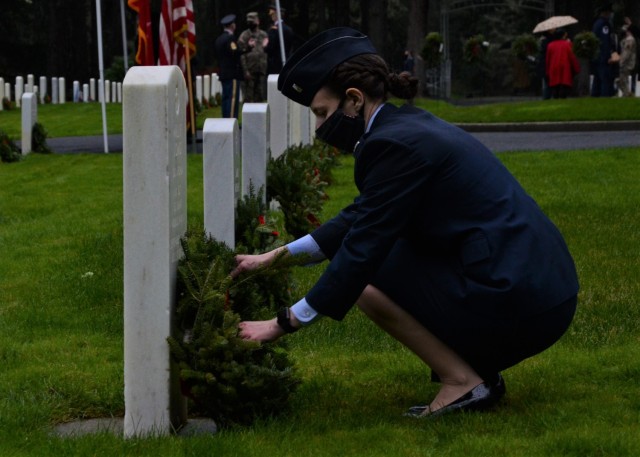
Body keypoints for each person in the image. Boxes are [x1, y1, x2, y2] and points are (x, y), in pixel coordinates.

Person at [234, 27, 579, 418]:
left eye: (322, 113)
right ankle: (475, 371)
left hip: (521, 295)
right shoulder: (405, 126)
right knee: (384, 256)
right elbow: (362, 215)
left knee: (369, 274)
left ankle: (463, 382)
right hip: (538, 283)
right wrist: (274, 258)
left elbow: (363, 246)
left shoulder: (392, 143)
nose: (319, 129)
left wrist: (280, 324)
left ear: (353, 99)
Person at [215, 14, 243, 118]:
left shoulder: (219, 39)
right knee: (232, 98)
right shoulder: (230, 38)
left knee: (226, 97)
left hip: (223, 73)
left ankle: (225, 119)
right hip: (232, 73)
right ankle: (231, 120)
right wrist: (247, 49)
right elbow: (234, 53)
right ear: (231, 25)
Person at [238, 12, 269, 102]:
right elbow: (241, 55)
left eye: (253, 21)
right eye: (249, 22)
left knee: (259, 96)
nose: (251, 24)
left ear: (258, 21)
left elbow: (267, 50)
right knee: (248, 97)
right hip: (250, 70)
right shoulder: (244, 36)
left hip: (261, 68)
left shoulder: (264, 35)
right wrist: (245, 71)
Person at [545, 29, 580, 99]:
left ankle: (556, 97)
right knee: (564, 86)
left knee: (555, 86)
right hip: (565, 67)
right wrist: (576, 68)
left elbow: (548, 59)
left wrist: (547, 71)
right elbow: (572, 57)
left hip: (554, 68)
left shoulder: (550, 45)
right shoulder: (567, 44)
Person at [591, 3, 616, 97]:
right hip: (603, 56)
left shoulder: (596, 23)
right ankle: (605, 95)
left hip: (597, 56)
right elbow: (605, 41)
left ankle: (595, 94)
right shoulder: (604, 24)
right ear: (606, 13)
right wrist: (608, 56)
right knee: (605, 78)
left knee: (597, 78)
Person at [264, 4, 294, 74]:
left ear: (277, 14)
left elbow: (270, 48)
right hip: (287, 62)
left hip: (275, 64)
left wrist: (265, 46)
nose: (271, 16)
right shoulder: (289, 29)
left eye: (272, 14)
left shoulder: (273, 30)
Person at [618, 24, 637, 97]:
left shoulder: (630, 39)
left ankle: (627, 94)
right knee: (623, 80)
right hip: (627, 63)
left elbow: (626, 52)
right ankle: (626, 94)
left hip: (626, 63)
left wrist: (621, 61)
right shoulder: (628, 39)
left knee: (623, 80)